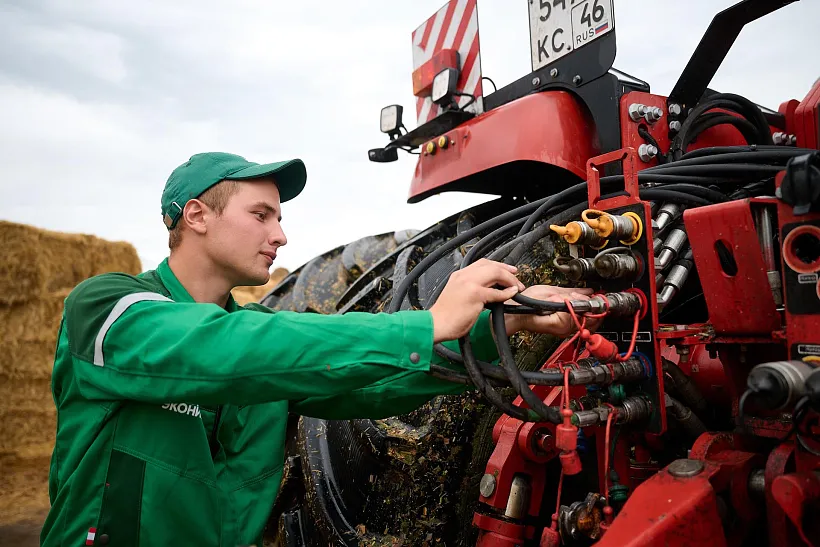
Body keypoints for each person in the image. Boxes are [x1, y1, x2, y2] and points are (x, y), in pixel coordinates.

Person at [41, 152, 596, 547]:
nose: (280, 235)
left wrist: (490, 329)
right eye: (261, 214)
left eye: (280, 218)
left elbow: (366, 382)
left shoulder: (264, 333)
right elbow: (216, 349)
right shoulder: (108, 306)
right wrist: (424, 322)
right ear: (197, 216)